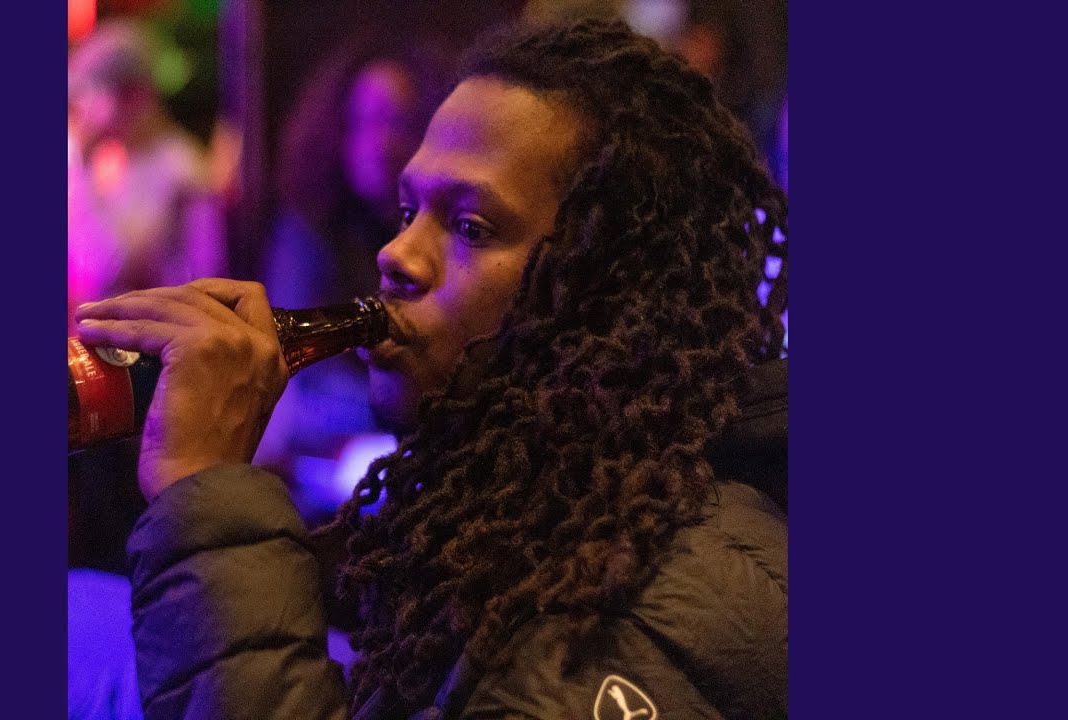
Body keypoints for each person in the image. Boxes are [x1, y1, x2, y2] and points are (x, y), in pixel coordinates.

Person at [75, 17, 788, 720]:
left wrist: (207, 494)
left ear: (612, 292)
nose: (397, 254)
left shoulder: (646, 604)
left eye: (470, 227)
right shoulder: (540, 495)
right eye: (408, 210)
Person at [254, 35, 452, 508]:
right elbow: (301, 374)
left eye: (396, 122)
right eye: (361, 122)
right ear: (336, 131)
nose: (378, 142)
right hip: (327, 453)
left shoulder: (436, 233)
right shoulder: (310, 228)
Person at [67, 18, 227, 332]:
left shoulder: (179, 170)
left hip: (163, 343)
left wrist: (79, 164)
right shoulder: (119, 160)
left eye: (89, 95)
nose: (83, 112)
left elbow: (106, 271)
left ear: (134, 96)